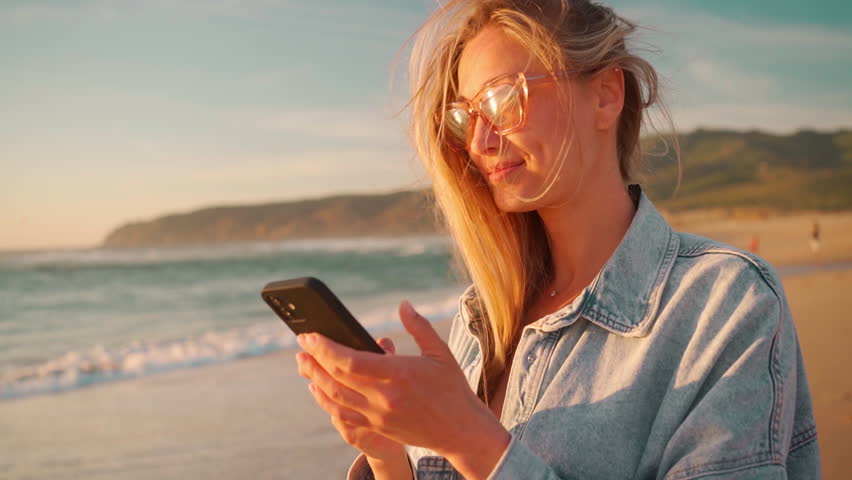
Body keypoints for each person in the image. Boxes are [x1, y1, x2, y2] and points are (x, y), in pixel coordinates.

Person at [294, 1, 821, 478]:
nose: (479, 142)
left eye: (503, 100)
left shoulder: (721, 305)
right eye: (466, 117)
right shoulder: (483, 320)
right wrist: (388, 455)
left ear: (606, 95)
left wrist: (469, 439)